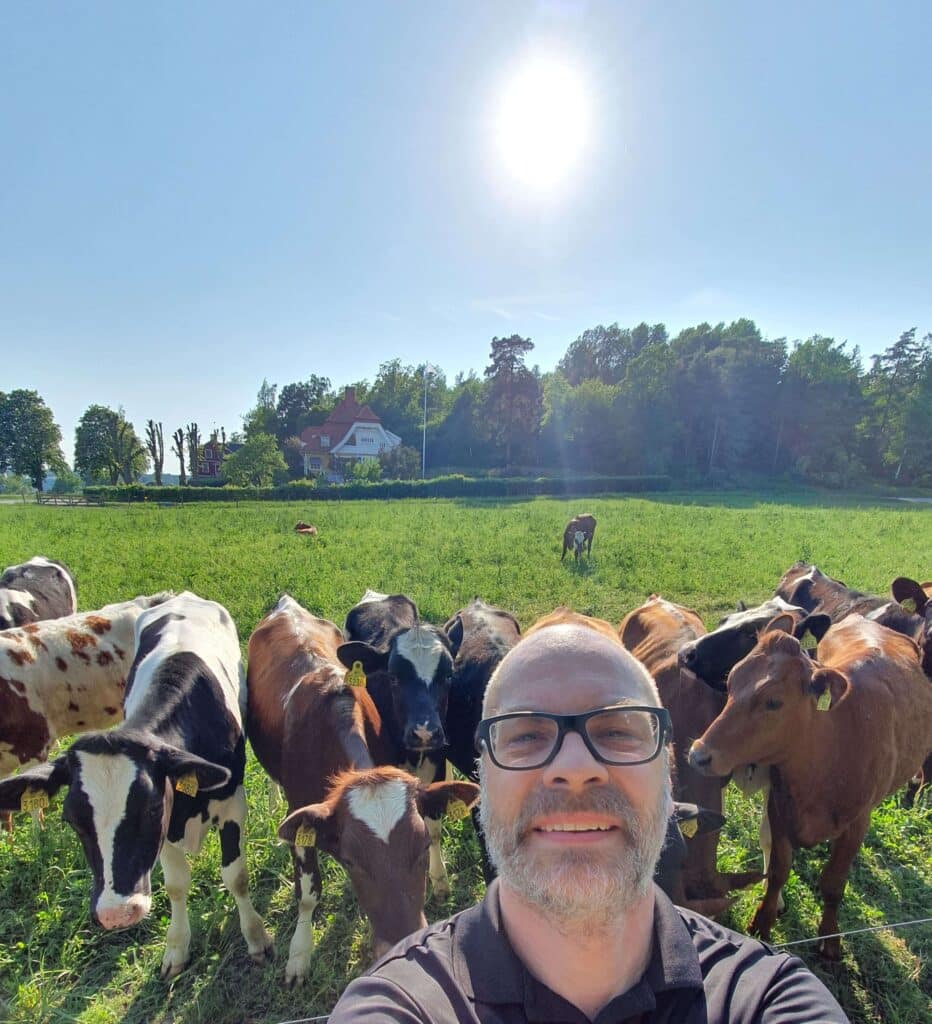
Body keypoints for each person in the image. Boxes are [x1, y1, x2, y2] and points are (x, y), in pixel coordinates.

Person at [329, 609, 849, 1023]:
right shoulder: (404, 1000)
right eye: (527, 735)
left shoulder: (763, 995)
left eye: (619, 731)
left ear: (669, 775)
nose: (575, 769)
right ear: (477, 778)